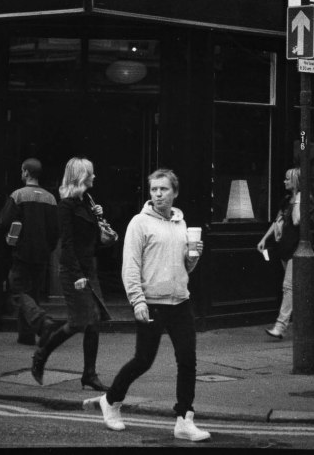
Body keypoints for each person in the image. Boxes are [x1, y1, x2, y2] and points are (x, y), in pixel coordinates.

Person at [84, 168, 210, 442]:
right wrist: (137, 301)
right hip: (151, 303)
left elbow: (184, 266)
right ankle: (111, 400)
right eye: (154, 189)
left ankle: (184, 419)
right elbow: (130, 267)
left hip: (180, 302)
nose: (158, 194)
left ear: (175, 192)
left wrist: (194, 257)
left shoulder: (180, 222)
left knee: (188, 361)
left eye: (163, 189)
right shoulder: (139, 223)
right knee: (143, 360)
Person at [30, 157, 108, 392]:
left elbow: (93, 242)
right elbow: (68, 244)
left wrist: (98, 217)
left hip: (88, 268)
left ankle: (89, 375)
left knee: (93, 322)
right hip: (73, 270)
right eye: (91, 173)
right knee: (79, 322)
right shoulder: (66, 206)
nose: (94, 177)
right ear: (81, 176)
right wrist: (76, 275)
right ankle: (41, 355)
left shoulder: (87, 201)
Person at [0, 157, 60, 345]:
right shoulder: (50, 198)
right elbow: (55, 231)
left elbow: (5, 223)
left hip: (21, 252)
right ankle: (27, 335)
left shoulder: (18, 195)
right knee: (33, 293)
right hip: (42, 254)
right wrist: (48, 248)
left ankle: (41, 321)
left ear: (25, 172)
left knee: (17, 290)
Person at [256, 167, 301, 339]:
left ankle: (280, 327)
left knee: (288, 287)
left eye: (288, 179)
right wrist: (264, 239)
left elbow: (297, 220)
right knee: (295, 288)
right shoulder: (286, 200)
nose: (284, 182)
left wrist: (299, 198)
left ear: (296, 181)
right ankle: (303, 323)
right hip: (284, 248)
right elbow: (277, 222)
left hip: (297, 249)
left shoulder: (303, 199)